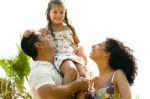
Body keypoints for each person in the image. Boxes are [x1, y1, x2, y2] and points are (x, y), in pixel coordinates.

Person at [24, 0, 89, 85]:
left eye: (61, 12)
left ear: (65, 13)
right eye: (55, 12)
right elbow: (34, 36)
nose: (58, 15)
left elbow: (78, 43)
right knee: (70, 70)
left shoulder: (70, 27)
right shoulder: (45, 30)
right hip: (60, 57)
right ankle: (65, 95)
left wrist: (80, 48)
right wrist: (29, 31)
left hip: (73, 54)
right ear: (48, 13)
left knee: (84, 75)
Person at [21, 31, 90, 99]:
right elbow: (50, 94)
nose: (49, 35)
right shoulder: (38, 71)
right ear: (39, 45)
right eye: (43, 36)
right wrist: (78, 85)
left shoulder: (59, 65)